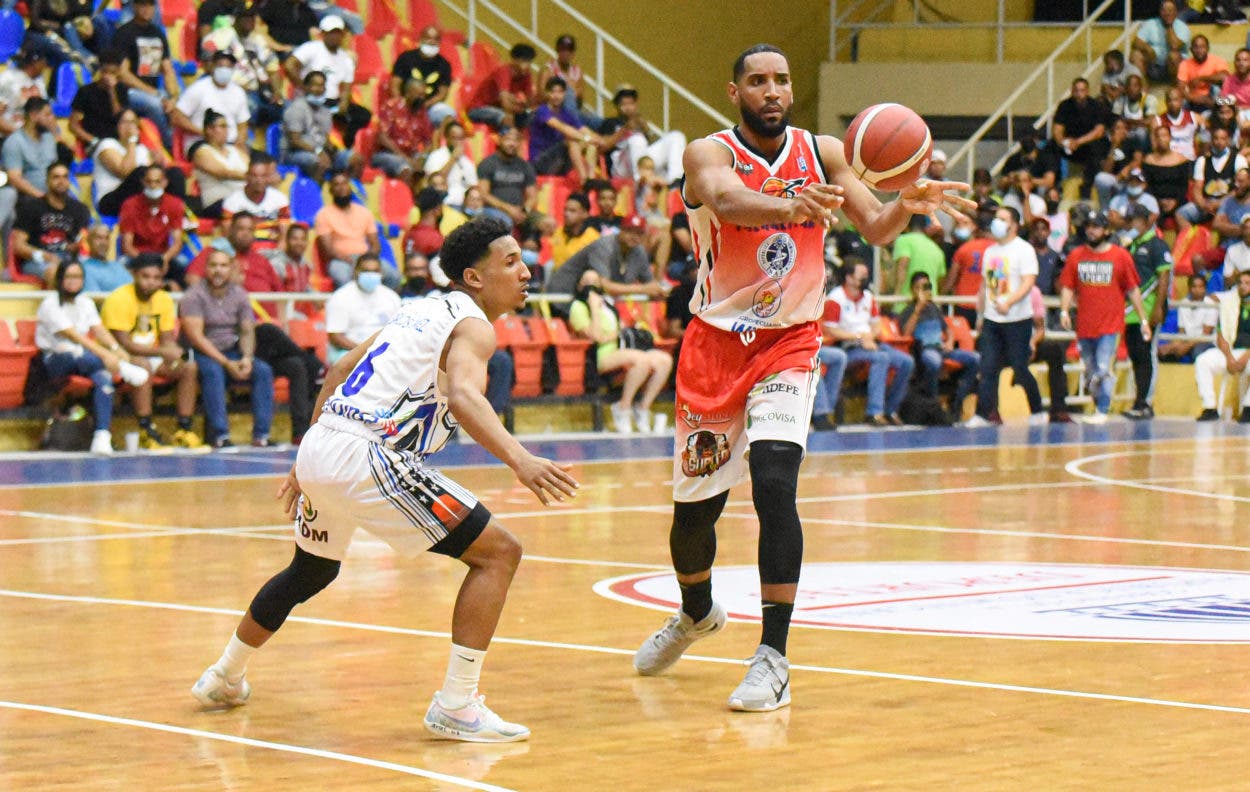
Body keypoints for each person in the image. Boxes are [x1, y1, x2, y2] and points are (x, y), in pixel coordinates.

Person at [630, 44, 970, 712]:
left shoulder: (824, 151)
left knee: (775, 482)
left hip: (790, 341)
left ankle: (773, 656)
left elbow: (873, 224)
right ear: (735, 92)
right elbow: (727, 203)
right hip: (714, 346)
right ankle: (696, 611)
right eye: (758, 81)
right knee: (694, 515)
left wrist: (907, 200)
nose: (772, 90)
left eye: (782, 79)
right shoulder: (708, 152)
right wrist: (792, 207)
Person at [190, 216, 579, 744]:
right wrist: (520, 459)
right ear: (474, 277)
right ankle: (456, 705)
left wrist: (307, 456)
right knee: (498, 554)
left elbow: (336, 371)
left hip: (326, 443)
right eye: (510, 262)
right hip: (368, 455)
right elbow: (464, 398)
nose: (526, 271)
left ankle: (224, 676)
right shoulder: (474, 326)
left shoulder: (415, 311)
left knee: (310, 572)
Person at [36, 260, 149, 454]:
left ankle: (102, 436)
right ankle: (123, 369)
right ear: (60, 279)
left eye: (78, 277)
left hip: (86, 359)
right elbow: (75, 337)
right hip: (54, 360)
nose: (74, 281)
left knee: (103, 377)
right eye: (69, 277)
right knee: (84, 357)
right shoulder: (50, 304)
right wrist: (109, 357)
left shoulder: (86, 302)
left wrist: (115, 348)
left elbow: (98, 329)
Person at [100, 253, 206, 449]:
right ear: (134, 275)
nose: (151, 282)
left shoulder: (164, 300)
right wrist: (163, 353)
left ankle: (184, 429)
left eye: (157, 278)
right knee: (143, 366)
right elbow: (124, 344)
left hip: (152, 353)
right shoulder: (119, 299)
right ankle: (145, 430)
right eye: (146, 277)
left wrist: (175, 354)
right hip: (120, 356)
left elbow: (166, 340)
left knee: (189, 367)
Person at [1058, 212, 1151, 423]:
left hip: (1110, 325)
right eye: (1089, 226)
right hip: (1085, 325)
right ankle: (1097, 404)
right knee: (1091, 371)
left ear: (1106, 230)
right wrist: (1064, 310)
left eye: (1097, 227)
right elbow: (1068, 286)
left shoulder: (1120, 256)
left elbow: (1133, 290)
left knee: (1103, 367)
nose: (1092, 230)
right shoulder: (1076, 256)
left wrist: (1143, 320)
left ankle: (1102, 409)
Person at [179, 248, 275, 449]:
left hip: (233, 350)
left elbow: (247, 330)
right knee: (214, 372)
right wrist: (226, 363)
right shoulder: (193, 296)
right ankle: (220, 435)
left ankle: (261, 435)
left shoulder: (240, 294)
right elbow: (196, 338)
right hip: (202, 352)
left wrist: (247, 358)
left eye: (223, 266)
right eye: (213, 265)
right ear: (206, 269)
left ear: (231, 269)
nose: (218, 270)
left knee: (263, 370)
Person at [568, 270, 673, 433]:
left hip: (621, 348)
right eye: (586, 281)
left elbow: (619, 328)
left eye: (595, 282)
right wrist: (594, 308)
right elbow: (596, 337)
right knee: (641, 360)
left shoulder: (608, 304)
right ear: (579, 284)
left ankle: (643, 408)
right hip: (600, 355)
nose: (591, 287)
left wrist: (617, 331)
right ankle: (623, 407)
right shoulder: (578, 307)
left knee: (664, 360)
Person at [969, 205, 1047, 426]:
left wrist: (1009, 302)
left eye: (1003, 219)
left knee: (1019, 368)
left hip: (1017, 320)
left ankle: (1037, 410)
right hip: (993, 320)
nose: (997, 222)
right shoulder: (990, 251)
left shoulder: (1024, 250)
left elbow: (1028, 282)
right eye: (996, 218)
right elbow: (985, 284)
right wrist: (981, 315)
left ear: (1014, 224)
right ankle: (983, 414)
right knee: (987, 367)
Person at [824, 258, 915, 425]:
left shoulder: (868, 297)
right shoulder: (835, 299)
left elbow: (876, 325)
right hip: (847, 347)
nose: (866, 279)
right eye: (862, 276)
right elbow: (831, 330)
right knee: (881, 358)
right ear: (849, 278)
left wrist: (869, 337)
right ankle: (874, 412)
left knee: (906, 361)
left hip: (870, 343)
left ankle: (891, 409)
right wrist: (859, 338)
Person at [898, 271, 980, 421]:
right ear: (913, 290)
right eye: (919, 287)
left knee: (975, 359)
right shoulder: (908, 310)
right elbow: (906, 333)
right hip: (924, 349)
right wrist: (917, 310)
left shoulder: (934, 309)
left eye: (926, 287)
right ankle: (932, 403)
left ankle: (957, 400)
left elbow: (948, 330)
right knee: (933, 361)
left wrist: (949, 341)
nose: (923, 291)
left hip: (942, 349)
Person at [1122, 203, 1172, 420]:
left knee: (1145, 355)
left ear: (1145, 221)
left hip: (1149, 308)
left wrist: (1159, 307)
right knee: (1135, 354)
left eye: (1134, 220)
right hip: (1131, 310)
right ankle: (1138, 399)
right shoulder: (1130, 245)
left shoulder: (1157, 245)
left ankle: (1145, 402)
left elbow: (1164, 277)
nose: (1131, 225)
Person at [12, 162, 92, 287]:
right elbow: (18, 245)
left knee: (92, 270)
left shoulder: (80, 209)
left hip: (69, 258)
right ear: (47, 181)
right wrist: (45, 256)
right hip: (38, 260)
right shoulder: (31, 207)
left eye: (65, 177)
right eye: (56, 177)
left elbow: (83, 240)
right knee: (58, 272)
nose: (61, 181)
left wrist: (77, 247)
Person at [112, 0, 177, 150]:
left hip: (154, 91)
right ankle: (168, 145)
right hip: (128, 92)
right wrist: (153, 93)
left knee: (180, 105)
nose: (146, 9)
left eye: (150, 5)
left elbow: (167, 69)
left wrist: (173, 97)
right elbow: (123, 74)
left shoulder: (158, 33)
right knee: (154, 104)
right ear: (134, 7)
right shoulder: (124, 33)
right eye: (142, 5)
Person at [601, 85, 688, 185]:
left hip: (641, 160)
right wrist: (625, 129)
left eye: (631, 103)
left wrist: (646, 131)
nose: (628, 107)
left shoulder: (639, 122)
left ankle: (674, 182)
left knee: (677, 136)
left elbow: (648, 147)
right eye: (624, 104)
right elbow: (604, 146)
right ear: (617, 105)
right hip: (620, 167)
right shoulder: (610, 122)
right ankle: (641, 181)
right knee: (637, 139)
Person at [1194, 269, 1250, 421]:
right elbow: (1220, 335)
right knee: (1203, 360)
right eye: (1240, 283)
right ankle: (1210, 407)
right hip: (1231, 351)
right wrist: (1229, 357)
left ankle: (1248, 408)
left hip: (1248, 354)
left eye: (1247, 283)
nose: (1243, 286)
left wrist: (1244, 358)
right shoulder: (1229, 302)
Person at [325, 254, 401, 363]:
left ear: (381, 273)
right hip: (350, 352)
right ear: (356, 271)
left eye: (375, 271)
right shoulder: (340, 297)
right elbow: (335, 337)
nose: (371, 275)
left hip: (385, 353)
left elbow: (398, 332)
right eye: (366, 271)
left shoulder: (392, 297)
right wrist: (365, 351)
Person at [118, 164, 187, 283]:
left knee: (183, 263)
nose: (153, 186)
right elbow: (127, 244)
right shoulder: (130, 205)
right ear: (143, 182)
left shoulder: (175, 204)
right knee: (121, 265)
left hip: (163, 255)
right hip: (137, 254)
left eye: (157, 182)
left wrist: (164, 259)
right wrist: (145, 261)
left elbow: (177, 242)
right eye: (149, 182)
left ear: (165, 183)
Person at [172, 50, 251, 151]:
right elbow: (177, 117)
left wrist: (240, 142)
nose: (225, 70)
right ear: (213, 67)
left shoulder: (238, 92)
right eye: (221, 66)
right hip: (202, 143)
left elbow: (243, 125)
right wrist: (204, 133)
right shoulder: (198, 88)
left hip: (230, 144)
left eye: (229, 67)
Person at [314, 171, 382, 287]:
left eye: (344, 183)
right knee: (343, 278)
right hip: (340, 260)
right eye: (337, 184)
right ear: (331, 190)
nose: (341, 188)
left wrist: (366, 260)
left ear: (350, 187)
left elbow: (375, 245)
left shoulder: (364, 212)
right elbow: (328, 250)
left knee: (393, 276)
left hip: (364, 258)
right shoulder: (323, 214)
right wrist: (351, 261)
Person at [280, 70, 351, 181]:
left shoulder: (325, 111)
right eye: (315, 85)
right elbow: (295, 141)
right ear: (306, 87)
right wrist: (318, 151)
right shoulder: (296, 108)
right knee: (319, 161)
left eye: (322, 86)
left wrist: (333, 150)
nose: (319, 89)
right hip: (295, 153)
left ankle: (343, 191)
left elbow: (325, 138)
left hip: (319, 150)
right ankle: (316, 192)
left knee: (354, 158)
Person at [390, 25, 455, 127]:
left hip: (428, 107)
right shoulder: (406, 58)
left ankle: (436, 142)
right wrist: (400, 103)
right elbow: (395, 84)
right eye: (428, 38)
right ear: (421, 39)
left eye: (436, 39)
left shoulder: (444, 64)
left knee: (448, 114)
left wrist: (425, 106)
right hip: (405, 104)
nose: (432, 42)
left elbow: (442, 94)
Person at [189, 109, 249, 218]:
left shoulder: (234, 150)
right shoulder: (202, 151)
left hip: (242, 197)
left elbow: (252, 168)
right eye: (222, 126)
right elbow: (223, 173)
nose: (226, 130)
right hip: (217, 201)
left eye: (226, 126)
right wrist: (253, 178)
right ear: (209, 130)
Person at [476, 126, 537, 228]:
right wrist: (508, 209)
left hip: (520, 211)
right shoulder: (488, 163)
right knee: (505, 221)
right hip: (493, 210)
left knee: (547, 222)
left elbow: (532, 196)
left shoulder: (525, 166)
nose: (512, 144)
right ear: (499, 140)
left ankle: (530, 243)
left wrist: (525, 210)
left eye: (516, 140)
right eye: (508, 139)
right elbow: (484, 194)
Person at [467, 43, 536, 130]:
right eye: (524, 61)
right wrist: (520, 107)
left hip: (498, 110)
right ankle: (506, 142)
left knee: (534, 117)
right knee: (507, 117)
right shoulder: (503, 72)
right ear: (514, 60)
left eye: (530, 62)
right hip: (478, 109)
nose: (528, 65)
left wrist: (525, 108)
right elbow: (506, 105)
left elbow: (530, 102)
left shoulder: (526, 75)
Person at [1160, 271, 1217, 360]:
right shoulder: (1184, 304)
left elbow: (1206, 334)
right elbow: (1181, 332)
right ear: (1189, 288)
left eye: (1200, 287)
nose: (1197, 290)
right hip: (1187, 339)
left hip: (1205, 342)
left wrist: (1186, 346)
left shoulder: (1210, 305)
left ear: (1205, 288)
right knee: (1164, 351)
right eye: (1194, 286)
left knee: (1197, 352)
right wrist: (1172, 345)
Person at [1131, 0, 1191, 84]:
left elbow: (1174, 46)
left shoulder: (1182, 27)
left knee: (1173, 55)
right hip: (1154, 65)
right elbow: (1136, 43)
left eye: (1170, 10)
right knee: (1135, 55)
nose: (1167, 13)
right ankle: (1144, 90)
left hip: (1173, 68)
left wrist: (1169, 26)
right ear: (1160, 12)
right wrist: (1147, 48)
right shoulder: (1150, 23)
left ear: (1176, 12)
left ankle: (1176, 88)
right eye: (1164, 10)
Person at [423, 118, 478, 209]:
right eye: (454, 138)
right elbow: (434, 182)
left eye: (461, 138)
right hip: (444, 204)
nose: (458, 142)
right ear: (447, 138)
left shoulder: (467, 162)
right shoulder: (436, 156)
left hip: (466, 206)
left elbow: (473, 187)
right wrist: (453, 159)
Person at [1177, 34, 1228, 111]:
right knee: (1178, 100)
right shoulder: (1185, 64)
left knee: (1217, 89)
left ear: (1207, 48)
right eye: (1196, 47)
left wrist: (1201, 79)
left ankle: (1217, 114)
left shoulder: (1217, 60)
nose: (1199, 50)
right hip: (1193, 100)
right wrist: (1195, 98)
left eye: (1202, 47)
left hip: (1213, 99)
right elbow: (1180, 88)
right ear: (1191, 49)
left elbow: (1225, 77)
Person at [550, 191, 599, 269]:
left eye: (572, 211)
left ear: (585, 214)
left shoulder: (593, 238)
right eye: (565, 209)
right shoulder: (558, 232)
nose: (566, 214)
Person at [80, 224, 131, 293]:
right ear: (89, 241)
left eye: (107, 238)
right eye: (99, 238)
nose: (103, 243)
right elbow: (95, 298)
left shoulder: (117, 266)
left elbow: (133, 290)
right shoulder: (84, 269)